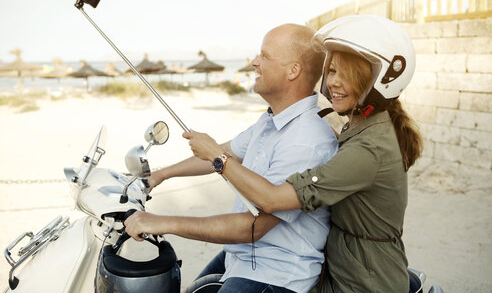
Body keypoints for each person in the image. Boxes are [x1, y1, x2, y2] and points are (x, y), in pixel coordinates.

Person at [184, 15, 423, 293]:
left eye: (347, 74)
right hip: (338, 265)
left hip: (362, 282)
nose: (333, 82)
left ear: (379, 80)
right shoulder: (359, 125)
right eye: (331, 71)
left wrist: (217, 157)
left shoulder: (369, 148)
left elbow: (272, 200)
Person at [125, 23, 339, 293]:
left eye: (265, 56)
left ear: (293, 70)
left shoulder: (307, 141)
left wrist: (163, 222)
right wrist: (159, 175)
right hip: (243, 256)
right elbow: (224, 153)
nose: (254, 62)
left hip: (276, 272)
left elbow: (251, 227)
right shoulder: (271, 120)